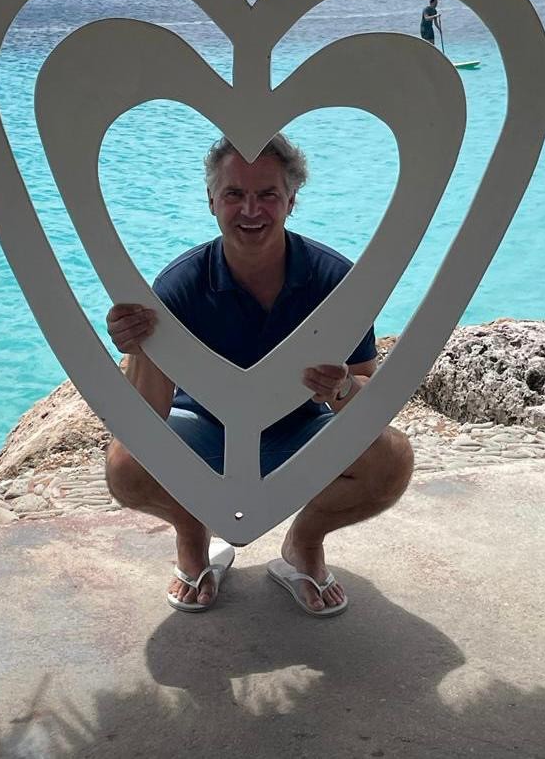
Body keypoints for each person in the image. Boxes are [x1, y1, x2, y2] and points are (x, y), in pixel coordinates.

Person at [105, 133, 414, 616]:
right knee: (124, 466)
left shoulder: (335, 280)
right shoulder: (180, 286)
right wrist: (140, 348)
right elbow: (145, 418)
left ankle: (304, 545)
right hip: (206, 433)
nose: (251, 210)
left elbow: (367, 385)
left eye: (267, 194)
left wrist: (342, 388)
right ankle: (194, 536)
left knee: (392, 461)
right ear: (212, 201)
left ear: (291, 200)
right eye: (234, 194)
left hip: (305, 431)